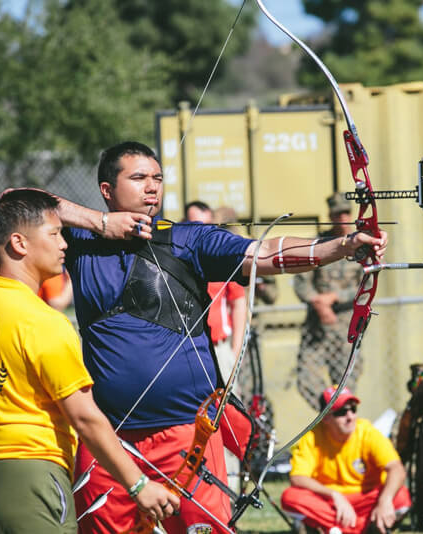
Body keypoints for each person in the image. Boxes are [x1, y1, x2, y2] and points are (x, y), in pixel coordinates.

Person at [40, 141, 387, 534]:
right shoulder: (80, 243)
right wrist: (102, 224)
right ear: (107, 190)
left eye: (157, 178)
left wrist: (340, 247)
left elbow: (266, 254)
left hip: (187, 436)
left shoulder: (189, 239)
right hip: (108, 438)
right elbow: (16, 203)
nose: (152, 187)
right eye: (138, 178)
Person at [0, 189, 177, 533]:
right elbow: (85, 418)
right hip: (29, 480)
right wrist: (138, 485)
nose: (64, 245)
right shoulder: (42, 320)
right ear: (19, 243)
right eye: (54, 234)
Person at [280, 386, 411, 534]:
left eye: (353, 409)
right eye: (342, 412)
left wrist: (385, 500)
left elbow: (396, 468)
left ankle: (337, 529)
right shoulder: (311, 437)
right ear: (325, 417)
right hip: (331, 504)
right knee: (290, 498)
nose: (350, 417)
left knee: (401, 496)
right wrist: (334, 495)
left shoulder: (367, 432)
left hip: (367, 499)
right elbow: (297, 478)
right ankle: (363, 528)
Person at [293, 192, 364, 410]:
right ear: (330, 216)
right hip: (317, 324)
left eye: (346, 213)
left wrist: (334, 298)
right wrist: (318, 302)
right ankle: (328, 413)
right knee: (306, 378)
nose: (342, 218)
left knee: (346, 380)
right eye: (337, 214)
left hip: (345, 325)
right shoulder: (318, 243)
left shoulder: (361, 245)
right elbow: (301, 281)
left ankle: (342, 415)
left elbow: (367, 285)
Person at [183, 200, 247, 380]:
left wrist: (235, 351)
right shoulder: (178, 254)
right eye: (196, 225)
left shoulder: (220, 256)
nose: (202, 232)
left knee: (227, 406)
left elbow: (239, 303)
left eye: (207, 226)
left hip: (220, 347)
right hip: (189, 350)